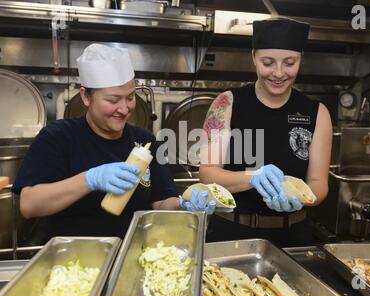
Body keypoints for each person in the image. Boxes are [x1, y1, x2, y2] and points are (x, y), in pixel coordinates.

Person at [12, 43, 215, 245]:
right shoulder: (58, 137)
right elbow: (30, 205)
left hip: (132, 253)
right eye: (113, 99)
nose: (124, 108)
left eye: (130, 97)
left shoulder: (146, 142)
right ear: (85, 96)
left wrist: (184, 204)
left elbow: (162, 201)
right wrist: (90, 179)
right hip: (73, 260)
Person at [199, 18, 333, 247]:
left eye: (289, 63)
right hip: (231, 233)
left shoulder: (316, 113)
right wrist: (254, 177)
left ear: (301, 59)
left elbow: (319, 183)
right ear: (253, 57)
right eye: (268, 62)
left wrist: (302, 198)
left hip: (292, 237)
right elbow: (208, 174)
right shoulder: (227, 104)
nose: (279, 73)